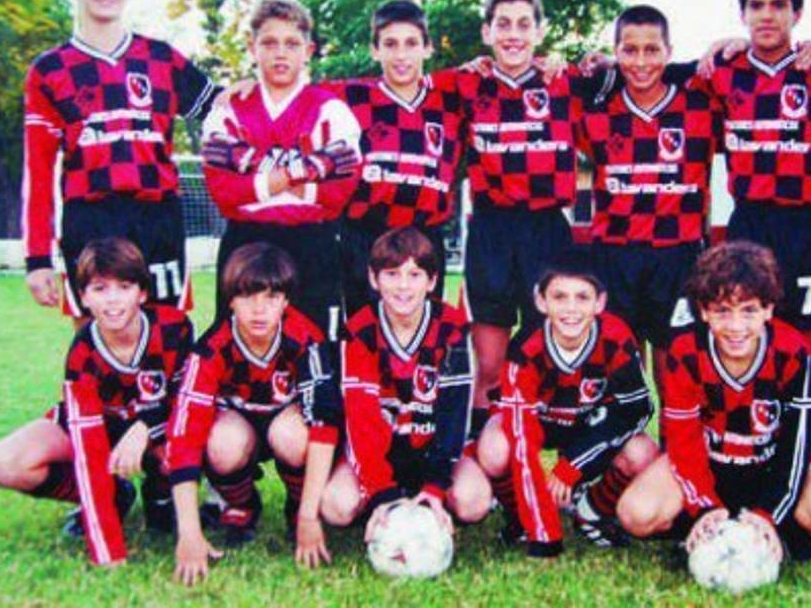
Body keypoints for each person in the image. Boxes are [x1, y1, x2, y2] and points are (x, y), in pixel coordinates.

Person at [616, 241, 811, 569]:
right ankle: (709, 523)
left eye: (748, 311)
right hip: (710, 465)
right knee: (637, 514)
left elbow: (796, 446)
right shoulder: (685, 353)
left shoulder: (793, 354)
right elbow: (683, 440)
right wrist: (704, 505)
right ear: (703, 311)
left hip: (773, 467)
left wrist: (769, 514)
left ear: (768, 309)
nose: (735, 326)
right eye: (722, 311)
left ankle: (775, 523)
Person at [693, 0, 811, 462]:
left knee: (809, 352)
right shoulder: (723, 72)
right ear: (742, 13)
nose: (767, 15)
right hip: (750, 224)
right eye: (756, 5)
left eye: (779, 5)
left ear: (797, 12)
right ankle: (749, 457)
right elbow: (652, 75)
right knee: (746, 342)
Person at [22, 0, 219, 316]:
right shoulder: (50, 70)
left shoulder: (161, 59)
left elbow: (225, 108)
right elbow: (38, 171)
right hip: (90, 216)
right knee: (95, 339)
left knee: (168, 333)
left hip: (157, 214)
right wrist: (37, 259)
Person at [0, 238, 194, 566]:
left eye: (124, 286)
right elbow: (89, 449)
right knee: (4, 462)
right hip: (98, 427)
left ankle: (162, 496)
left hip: (156, 426)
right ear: (82, 297)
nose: (112, 300)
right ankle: (115, 495)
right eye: (99, 288)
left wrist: (147, 428)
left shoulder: (173, 327)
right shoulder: (83, 352)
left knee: (189, 443)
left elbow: (190, 403)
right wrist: (109, 554)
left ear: (142, 292)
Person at [457, 0, 590, 437]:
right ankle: (481, 470)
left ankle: (540, 465)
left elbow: (627, 71)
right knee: (490, 366)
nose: (513, 34)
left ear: (540, 30)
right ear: (487, 32)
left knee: (547, 359)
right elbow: (393, 84)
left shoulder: (564, 81)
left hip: (547, 232)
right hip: (491, 231)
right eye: (503, 24)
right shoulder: (466, 83)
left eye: (523, 24)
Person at [165, 243, 329, 585]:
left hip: (285, 424)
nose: (259, 310)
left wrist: (311, 516)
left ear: (286, 301)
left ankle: (296, 510)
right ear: (230, 300)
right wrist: (189, 532)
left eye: (271, 297)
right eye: (247, 297)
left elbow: (325, 426)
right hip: (240, 428)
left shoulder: (306, 340)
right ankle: (242, 505)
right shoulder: (211, 349)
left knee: (295, 436)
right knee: (221, 443)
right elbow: (184, 437)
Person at [476, 249, 658, 556]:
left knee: (642, 453)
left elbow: (637, 409)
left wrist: (572, 464)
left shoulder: (615, 337)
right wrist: (543, 533)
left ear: (600, 302)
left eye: (582, 297)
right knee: (494, 449)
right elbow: (522, 438)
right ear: (541, 301)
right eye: (559, 297)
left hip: (589, 425)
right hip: (539, 424)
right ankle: (520, 516)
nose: (571, 309)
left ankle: (592, 511)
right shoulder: (525, 349)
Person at [200, 0, 361, 337]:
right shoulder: (228, 109)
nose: (280, 53)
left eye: (291, 44)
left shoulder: (331, 110)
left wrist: (258, 176)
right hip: (246, 239)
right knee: (238, 348)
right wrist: (306, 172)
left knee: (318, 348)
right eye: (269, 43)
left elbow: (338, 192)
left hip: (313, 242)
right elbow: (224, 192)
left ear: (309, 50)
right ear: (252, 47)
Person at [576, 5, 718, 384]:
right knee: (621, 377)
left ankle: (677, 445)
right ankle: (628, 444)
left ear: (669, 52)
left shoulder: (701, 105)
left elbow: (731, 67)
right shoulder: (595, 110)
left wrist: (728, 43)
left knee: (677, 376)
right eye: (629, 50)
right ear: (616, 52)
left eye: (652, 50)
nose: (641, 61)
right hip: (614, 255)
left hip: (679, 256)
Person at [324, 227, 489, 545]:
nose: (403, 286)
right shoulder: (359, 332)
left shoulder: (452, 329)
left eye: (415, 274)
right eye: (391, 274)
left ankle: (429, 503)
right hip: (382, 451)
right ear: (374, 279)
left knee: (474, 501)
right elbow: (361, 422)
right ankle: (387, 505)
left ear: (431, 281)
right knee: (336, 507)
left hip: (431, 450)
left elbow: (454, 420)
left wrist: (435, 486)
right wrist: (380, 494)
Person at [337, 0, 467, 315]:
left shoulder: (453, 99)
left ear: (428, 48)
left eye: (411, 44)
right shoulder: (348, 97)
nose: (401, 55)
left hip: (425, 238)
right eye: (390, 44)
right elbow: (290, 94)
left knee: (425, 340)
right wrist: (246, 87)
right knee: (363, 342)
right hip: (364, 238)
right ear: (374, 50)